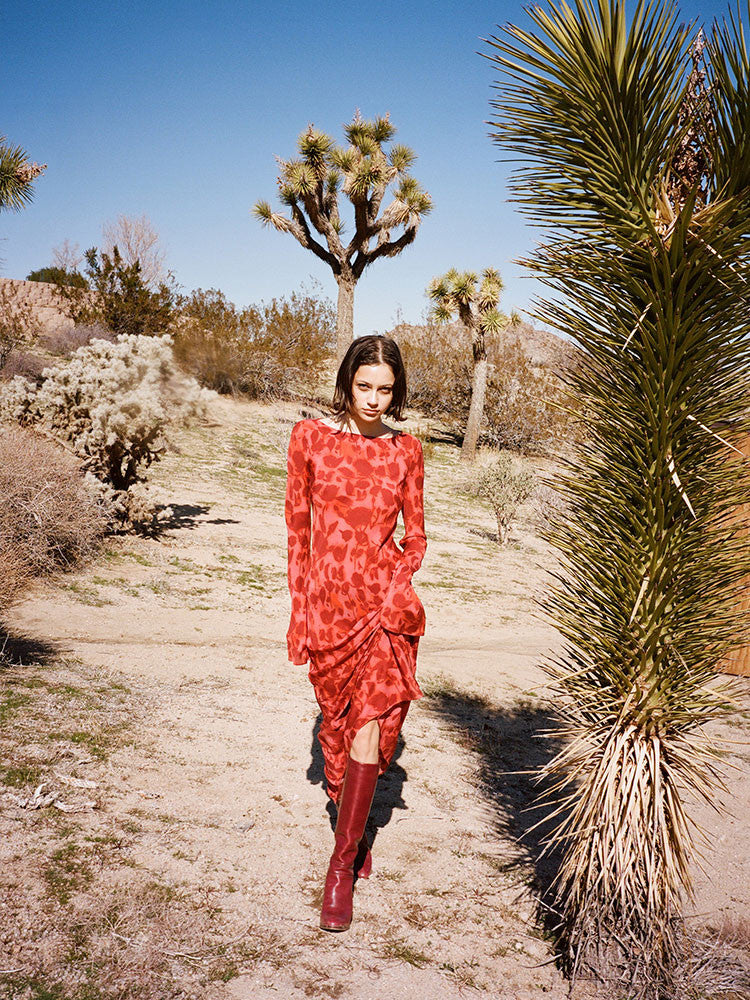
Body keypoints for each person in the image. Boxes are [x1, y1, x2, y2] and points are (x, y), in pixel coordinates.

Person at [285, 334, 427, 932]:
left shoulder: (407, 451)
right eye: (364, 387)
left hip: (382, 609)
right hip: (327, 607)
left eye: (385, 390)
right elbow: (298, 533)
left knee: (370, 727)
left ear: (397, 393)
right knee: (337, 736)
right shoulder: (309, 439)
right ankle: (355, 819)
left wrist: (401, 574)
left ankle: (340, 868)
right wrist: (298, 612)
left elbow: (416, 534)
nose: (374, 400)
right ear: (347, 382)